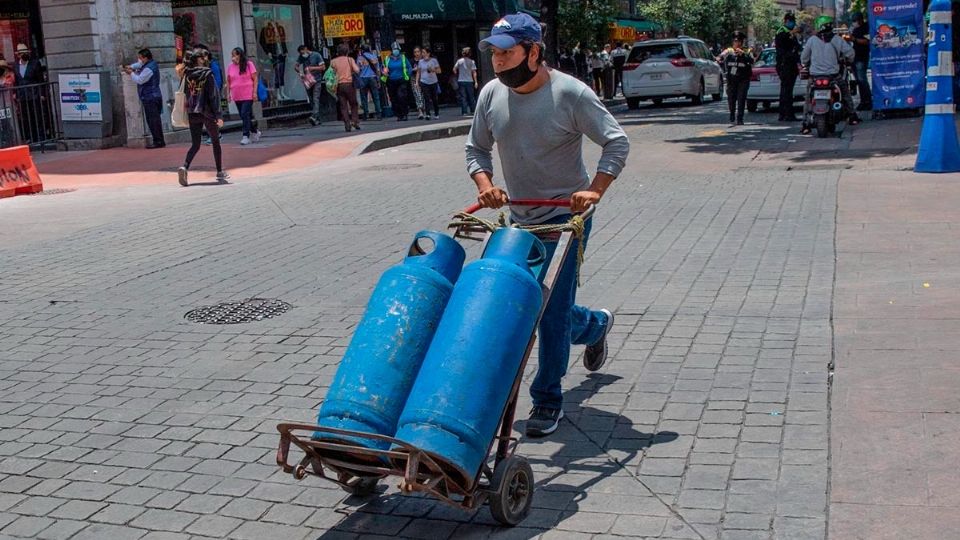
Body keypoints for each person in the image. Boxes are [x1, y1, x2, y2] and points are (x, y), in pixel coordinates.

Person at [466, 13, 629, 437]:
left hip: (566, 217)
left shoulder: (571, 93)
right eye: (495, 54)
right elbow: (476, 150)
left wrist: (594, 191)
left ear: (533, 52)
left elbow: (616, 140)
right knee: (518, 302)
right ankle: (595, 325)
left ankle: (547, 399)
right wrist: (486, 186)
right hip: (519, 218)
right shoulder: (490, 95)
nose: (498, 62)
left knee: (550, 310)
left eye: (507, 53)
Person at [178, 47, 228, 186]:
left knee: (195, 144)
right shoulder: (207, 74)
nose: (205, 60)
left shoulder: (187, 75)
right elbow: (214, 96)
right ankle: (219, 171)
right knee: (215, 141)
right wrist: (219, 115)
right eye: (203, 58)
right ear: (200, 60)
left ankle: (185, 166)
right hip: (207, 112)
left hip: (193, 112)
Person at [801, 16, 858, 134]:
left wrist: (807, 63)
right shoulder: (837, 39)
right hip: (833, 76)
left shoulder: (812, 40)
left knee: (808, 98)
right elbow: (850, 53)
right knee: (845, 92)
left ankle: (805, 123)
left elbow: (804, 58)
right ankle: (852, 116)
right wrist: (848, 60)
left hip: (815, 77)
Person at [123, 48, 165, 149]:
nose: (139, 60)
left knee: (153, 120)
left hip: (151, 97)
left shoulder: (149, 69)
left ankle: (158, 141)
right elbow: (138, 65)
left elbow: (140, 80)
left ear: (145, 58)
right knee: (154, 120)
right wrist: (131, 67)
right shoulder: (150, 64)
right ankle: (159, 140)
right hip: (152, 96)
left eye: (140, 58)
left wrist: (131, 73)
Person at [226, 47, 261, 145]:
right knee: (243, 115)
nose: (233, 57)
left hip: (247, 94)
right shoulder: (230, 67)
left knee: (245, 113)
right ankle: (255, 131)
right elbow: (228, 81)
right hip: (237, 94)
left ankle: (246, 136)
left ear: (240, 55)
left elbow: (255, 79)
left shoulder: (249, 64)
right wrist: (228, 93)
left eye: (235, 55)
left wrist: (254, 92)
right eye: (232, 55)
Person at [719, 32, 754, 125]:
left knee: (741, 98)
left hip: (743, 79)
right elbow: (722, 55)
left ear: (742, 42)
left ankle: (740, 118)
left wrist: (743, 54)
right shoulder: (729, 51)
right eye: (735, 41)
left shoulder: (747, 51)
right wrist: (719, 57)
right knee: (731, 98)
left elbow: (752, 60)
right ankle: (732, 113)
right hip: (732, 80)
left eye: (739, 41)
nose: (737, 43)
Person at [774, 13, 802, 121]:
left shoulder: (791, 34)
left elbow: (797, 46)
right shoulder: (782, 31)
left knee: (786, 90)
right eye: (790, 21)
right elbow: (782, 42)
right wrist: (792, 32)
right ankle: (787, 114)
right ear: (785, 21)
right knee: (787, 90)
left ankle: (784, 113)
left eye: (793, 21)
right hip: (784, 64)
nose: (792, 23)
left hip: (791, 64)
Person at [330, 43, 361, 132]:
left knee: (343, 106)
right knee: (353, 104)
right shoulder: (350, 60)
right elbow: (357, 70)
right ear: (347, 51)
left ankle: (347, 124)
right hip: (349, 84)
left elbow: (331, 74)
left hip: (339, 85)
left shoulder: (333, 61)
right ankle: (355, 121)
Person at [296, 44, 326, 126]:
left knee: (316, 97)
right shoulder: (301, 57)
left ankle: (314, 116)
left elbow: (323, 67)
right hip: (308, 80)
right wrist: (299, 71)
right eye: (301, 54)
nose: (303, 55)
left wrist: (312, 68)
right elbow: (296, 65)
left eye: (303, 52)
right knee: (311, 99)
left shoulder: (316, 55)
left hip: (317, 80)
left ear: (306, 49)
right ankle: (317, 118)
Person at [849, 12, 873, 111]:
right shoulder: (854, 29)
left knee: (862, 80)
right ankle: (863, 101)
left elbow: (867, 41)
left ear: (860, 20)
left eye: (855, 21)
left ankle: (867, 101)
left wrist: (854, 39)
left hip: (862, 57)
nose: (854, 23)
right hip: (855, 57)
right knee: (859, 81)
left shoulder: (866, 27)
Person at [382, 45, 413, 121]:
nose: (395, 51)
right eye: (394, 49)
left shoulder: (403, 58)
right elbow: (383, 68)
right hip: (391, 81)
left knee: (401, 96)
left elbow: (409, 67)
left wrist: (408, 76)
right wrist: (384, 72)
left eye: (397, 49)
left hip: (401, 80)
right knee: (394, 99)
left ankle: (405, 113)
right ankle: (399, 115)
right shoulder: (387, 59)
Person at [356, 45, 382, 120]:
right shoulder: (374, 56)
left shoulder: (360, 58)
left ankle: (366, 114)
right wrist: (378, 80)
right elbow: (377, 69)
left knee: (364, 97)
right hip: (373, 77)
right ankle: (378, 113)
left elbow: (358, 69)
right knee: (376, 97)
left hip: (363, 78)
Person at [416, 46, 441, 119]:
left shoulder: (434, 61)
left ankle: (436, 113)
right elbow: (418, 72)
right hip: (424, 81)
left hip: (433, 82)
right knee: (426, 98)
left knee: (434, 98)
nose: (422, 54)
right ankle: (428, 114)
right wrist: (417, 82)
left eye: (424, 52)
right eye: (422, 53)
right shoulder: (420, 61)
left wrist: (433, 70)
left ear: (428, 53)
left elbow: (439, 71)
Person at [453, 47, 478, 116]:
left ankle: (464, 112)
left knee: (463, 97)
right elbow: (474, 72)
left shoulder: (459, 61)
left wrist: (457, 74)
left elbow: (454, 69)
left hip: (461, 80)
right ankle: (473, 110)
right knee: (471, 96)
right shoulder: (472, 61)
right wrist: (476, 81)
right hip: (469, 80)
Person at [410, 47, 427, 119]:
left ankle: (425, 110)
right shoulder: (411, 61)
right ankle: (420, 111)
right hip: (414, 79)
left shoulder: (425, 60)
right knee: (418, 95)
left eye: (418, 52)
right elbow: (409, 70)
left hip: (424, 79)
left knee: (424, 95)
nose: (417, 54)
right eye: (415, 52)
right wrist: (415, 69)